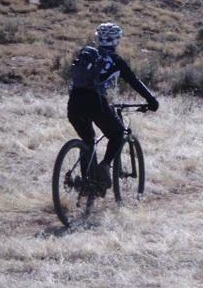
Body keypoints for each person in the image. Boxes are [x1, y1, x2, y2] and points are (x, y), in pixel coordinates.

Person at [67, 22, 159, 187]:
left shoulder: (87, 54)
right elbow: (135, 82)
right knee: (118, 135)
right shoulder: (116, 60)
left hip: (74, 102)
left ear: (98, 38)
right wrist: (152, 100)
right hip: (95, 102)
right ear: (116, 40)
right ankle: (104, 166)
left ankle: (88, 184)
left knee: (88, 141)